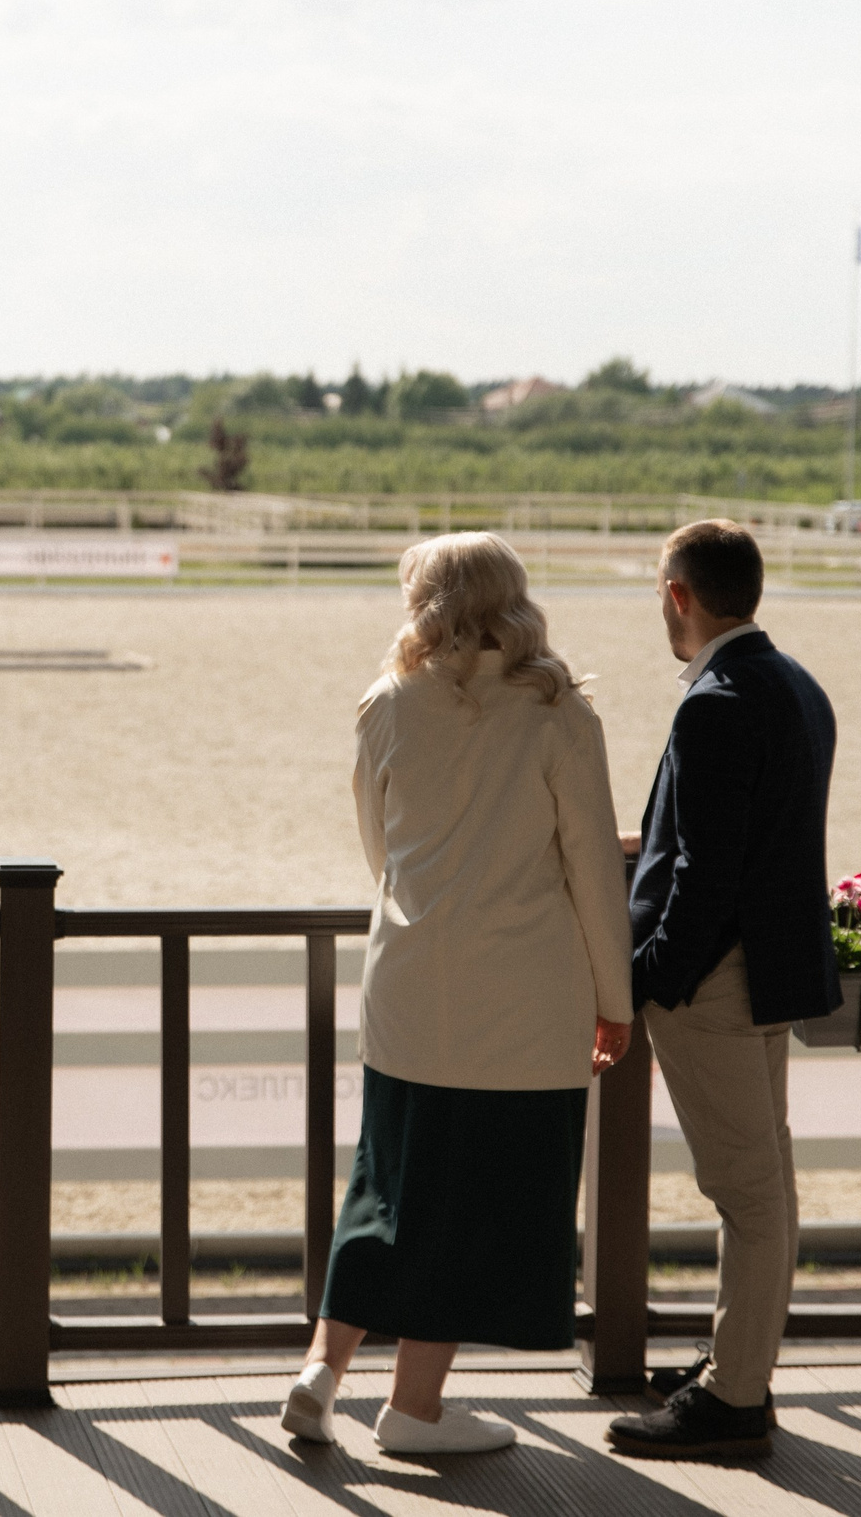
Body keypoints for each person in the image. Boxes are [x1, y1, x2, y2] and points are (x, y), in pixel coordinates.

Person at [282, 532, 633, 1456]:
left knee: (390, 1181)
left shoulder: (389, 701)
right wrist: (616, 998)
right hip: (523, 998)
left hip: (410, 984)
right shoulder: (559, 712)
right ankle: (414, 1407)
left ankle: (322, 1369)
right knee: (472, 1204)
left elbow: (380, 849)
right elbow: (595, 871)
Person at [606, 519, 839, 1463]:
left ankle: (735, 1394)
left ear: (680, 594)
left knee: (747, 1192)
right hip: (772, 969)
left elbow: (704, 874)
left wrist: (646, 980)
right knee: (766, 1180)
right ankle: (738, 1365)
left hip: (713, 980)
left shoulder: (716, 702)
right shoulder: (797, 683)